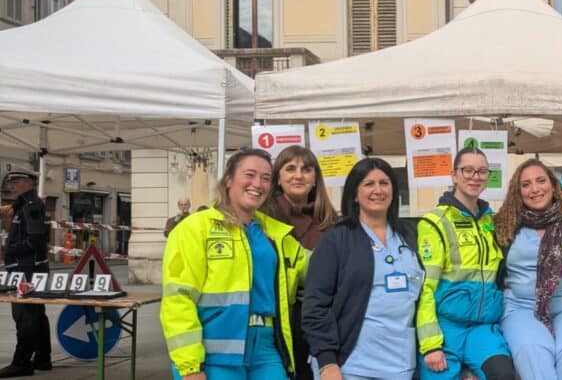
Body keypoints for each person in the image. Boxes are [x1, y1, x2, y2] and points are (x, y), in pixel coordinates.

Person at [161, 148, 309, 379]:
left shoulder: (275, 234)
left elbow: (318, 268)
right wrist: (190, 367)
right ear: (228, 179)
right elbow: (178, 299)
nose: (257, 183)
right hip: (213, 355)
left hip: (266, 349)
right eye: (249, 175)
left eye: (266, 178)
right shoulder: (194, 229)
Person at [302, 157, 423, 380]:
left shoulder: (410, 235)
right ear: (355, 195)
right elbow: (315, 306)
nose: (378, 190)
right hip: (351, 366)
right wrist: (327, 362)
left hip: (402, 366)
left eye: (384, 183)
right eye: (368, 184)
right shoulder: (337, 239)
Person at [493, 159, 562, 380]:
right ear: (517, 191)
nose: (535, 189)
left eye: (541, 181)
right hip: (521, 307)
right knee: (533, 350)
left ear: (553, 184)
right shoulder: (502, 225)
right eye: (526, 184)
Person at [416, 147, 516, 380]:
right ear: (454, 175)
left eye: (481, 171)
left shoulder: (492, 221)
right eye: (467, 170)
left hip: (483, 329)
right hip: (446, 328)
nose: (475, 176)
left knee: (503, 375)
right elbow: (425, 288)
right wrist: (431, 344)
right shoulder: (435, 222)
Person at [262, 146, 338, 380]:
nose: (298, 175)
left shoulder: (332, 222)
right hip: (275, 325)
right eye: (290, 168)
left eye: (306, 169)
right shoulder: (263, 218)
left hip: (321, 325)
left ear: (315, 179)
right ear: (278, 178)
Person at [0, 168, 51, 377]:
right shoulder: (23, 205)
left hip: (26, 270)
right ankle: (42, 358)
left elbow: (36, 240)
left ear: (27, 182)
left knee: (25, 316)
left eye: (16, 182)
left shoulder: (31, 207)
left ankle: (22, 362)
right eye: (11, 183)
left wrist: (10, 250)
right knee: (36, 315)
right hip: (26, 268)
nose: (12, 186)